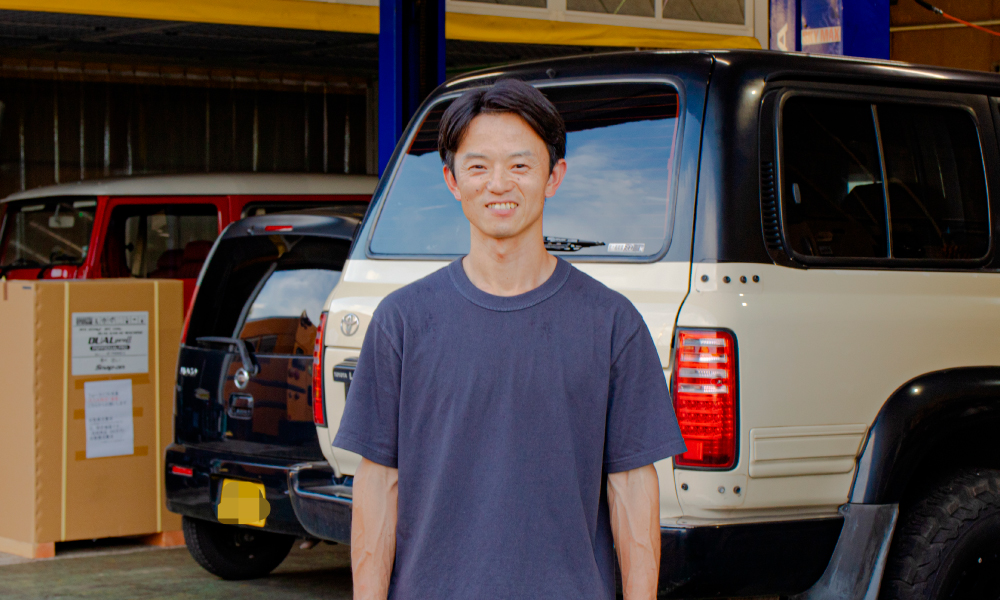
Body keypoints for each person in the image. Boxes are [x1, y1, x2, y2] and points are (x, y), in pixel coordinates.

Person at [333, 78, 686, 600]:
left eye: (520, 165)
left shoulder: (612, 324)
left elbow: (633, 488)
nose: (498, 184)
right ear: (452, 180)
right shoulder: (402, 322)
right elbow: (378, 485)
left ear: (553, 176)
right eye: (478, 167)